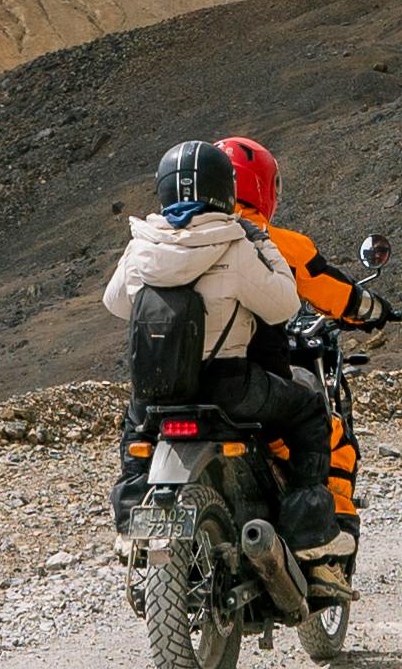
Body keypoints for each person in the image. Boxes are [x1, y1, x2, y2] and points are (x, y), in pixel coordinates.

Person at [100, 139, 348, 585]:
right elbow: (282, 307)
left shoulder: (142, 246)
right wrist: (262, 246)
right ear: (225, 189)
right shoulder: (235, 245)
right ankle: (308, 532)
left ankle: (130, 522)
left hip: (158, 391)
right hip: (230, 387)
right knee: (309, 412)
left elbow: (115, 302)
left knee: (135, 441)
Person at [215, 134, 376, 593]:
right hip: (252, 384)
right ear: (263, 187)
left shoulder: (177, 241)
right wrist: (372, 309)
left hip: (184, 381)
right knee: (328, 431)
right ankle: (325, 541)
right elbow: (334, 292)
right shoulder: (273, 243)